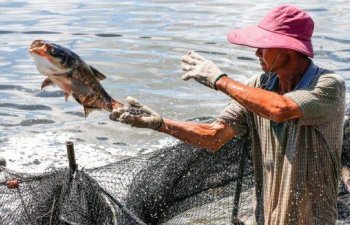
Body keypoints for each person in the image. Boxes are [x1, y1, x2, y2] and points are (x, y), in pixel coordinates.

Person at [109, 5, 346, 225]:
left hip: (313, 218)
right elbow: (213, 136)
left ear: (287, 49)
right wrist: (159, 123)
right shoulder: (258, 86)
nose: (257, 52)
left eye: (264, 46)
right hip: (266, 216)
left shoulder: (327, 86)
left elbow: (280, 109)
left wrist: (219, 80)